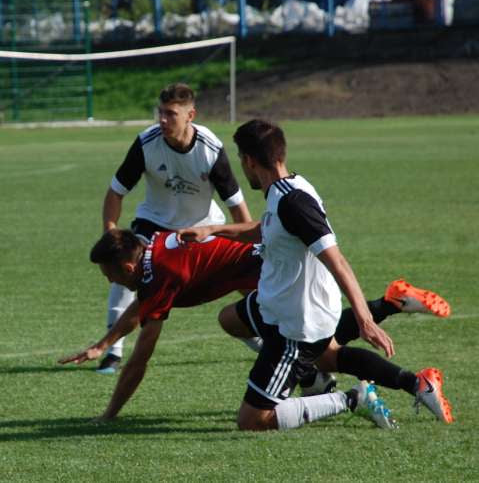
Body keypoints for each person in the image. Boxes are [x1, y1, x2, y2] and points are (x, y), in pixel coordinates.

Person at [178, 119, 453, 430]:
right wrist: (213, 230)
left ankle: (352, 398)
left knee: (252, 420)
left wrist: (364, 320)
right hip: (276, 304)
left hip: (295, 326)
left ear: (249, 161)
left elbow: (338, 262)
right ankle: (409, 374)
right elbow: (265, 228)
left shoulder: (293, 202)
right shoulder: (287, 188)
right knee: (230, 319)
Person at [59, 227, 451, 428]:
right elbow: (146, 307)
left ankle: (411, 382)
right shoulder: (153, 254)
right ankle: (393, 302)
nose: (108, 281)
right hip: (270, 277)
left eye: (108, 274)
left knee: (329, 355)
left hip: (278, 285)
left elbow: (141, 357)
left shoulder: (159, 274)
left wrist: (110, 413)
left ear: (125, 268)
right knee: (230, 319)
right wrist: (104, 343)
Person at [96, 82, 252, 374]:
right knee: (124, 267)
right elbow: (116, 191)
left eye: (171, 114)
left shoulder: (210, 149)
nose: (163, 121)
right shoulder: (146, 143)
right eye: (160, 113)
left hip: (202, 226)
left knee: (243, 279)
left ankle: (258, 334)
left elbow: (238, 209)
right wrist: (111, 231)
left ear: (190, 115)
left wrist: (248, 247)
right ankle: (112, 354)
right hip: (154, 222)